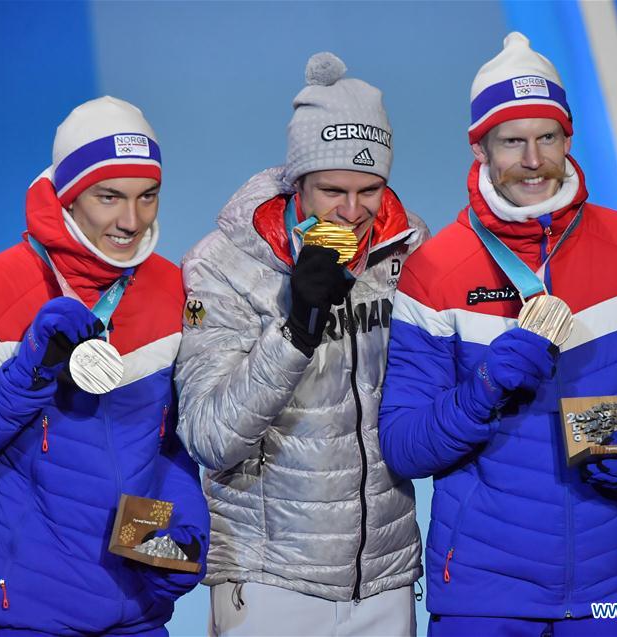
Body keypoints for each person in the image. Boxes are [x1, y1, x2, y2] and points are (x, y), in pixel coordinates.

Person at [379, 33, 617, 636]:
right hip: (484, 594)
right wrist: (486, 385)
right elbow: (406, 445)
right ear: (480, 150)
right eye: (511, 141)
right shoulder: (435, 270)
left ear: (568, 140)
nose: (532, 159)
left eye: (547, 137)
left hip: (614, 587)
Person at [0, 96, 209, 636]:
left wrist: (176, 537)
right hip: (28, 622)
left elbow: (167, 442)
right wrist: (28, 376)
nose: (131, 221)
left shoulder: (171, 290)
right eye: (109, 197)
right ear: (68, 196)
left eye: (148, 196)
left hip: (138, 620)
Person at [174, 52, 428, 636]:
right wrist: (296, 328)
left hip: (385, 577)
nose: (353, 211)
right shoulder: (222, 265)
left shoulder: (407, 251)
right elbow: (211, 436)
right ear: (297, 181)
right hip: (269, 579)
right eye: (332, 190)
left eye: (371, 190)